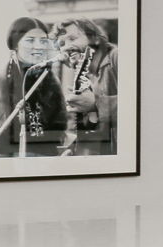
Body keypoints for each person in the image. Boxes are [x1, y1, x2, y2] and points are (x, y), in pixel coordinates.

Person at [0, 17, 65, 158]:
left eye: (43, 41)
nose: (39, 47)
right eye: (30, 40)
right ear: (15, 44)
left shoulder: (52, 81)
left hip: (47, 163)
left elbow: (62, 127)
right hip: (7, 162)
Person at [50, 17, 117, 156]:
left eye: (72, 38)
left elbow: (143, 104)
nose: (66, 47)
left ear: (95, 39)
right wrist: (72, 150)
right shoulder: (85, 77)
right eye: (62, 44)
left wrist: (96, 104)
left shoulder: (117, 57)